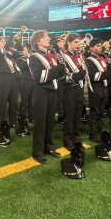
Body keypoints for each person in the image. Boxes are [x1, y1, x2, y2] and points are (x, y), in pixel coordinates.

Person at [28, 30, 65, 163]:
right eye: (46, 37)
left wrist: (62, 69)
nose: (49, 39)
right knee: (40, 123)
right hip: (41, 92)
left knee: (50, 121)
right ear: (38, 41)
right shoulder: (34, 57)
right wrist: (58, 70)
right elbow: (39, 77)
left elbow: (58, 74)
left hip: (53, 91)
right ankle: (37, 153)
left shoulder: (51, 55)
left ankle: (49, 147)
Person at [61, 33, 86, 150]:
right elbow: (63, 77)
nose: (78, 44)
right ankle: (68, 140)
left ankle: (76, 137)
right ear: (68, 43)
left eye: (79, 42)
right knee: (70, 115)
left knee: (77, 114)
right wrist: (78, 75)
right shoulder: (63, 57)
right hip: (69, 89)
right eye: (75, 42)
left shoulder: (80, 56)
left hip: (79, 88)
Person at [0, 36, 20, 146]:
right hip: (3, 78)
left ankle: (12, 122)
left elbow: (16, 56)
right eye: (1, 41)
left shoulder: (8, 53)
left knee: (13, 102)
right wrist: (2, 48)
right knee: (3, 103)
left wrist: (13, 45)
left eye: (5, 41)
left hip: (13, 77)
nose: (4, 43)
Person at [86, 38, 111, 143]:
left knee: (101, 111)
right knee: (95, 111)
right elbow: (94, 76)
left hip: (104, 87)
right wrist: (110, 72)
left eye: (100, 45)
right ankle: (93, 134)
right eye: (97, 46)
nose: (100, 47)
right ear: (91, 48)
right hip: (95, 87)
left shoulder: (102, 58)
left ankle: (99, 131)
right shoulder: (88, 60)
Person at [17, 44, 35, 124]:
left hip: (33, 81)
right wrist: (28, 58)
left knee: (32, 101)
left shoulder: (32, 58)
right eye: (24, 50)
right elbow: (23, 67)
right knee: (24, 101)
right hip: (25, 81)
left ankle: (32, 117)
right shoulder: (20, 59)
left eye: (27, 50)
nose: (25, 51)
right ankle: (22, 118)